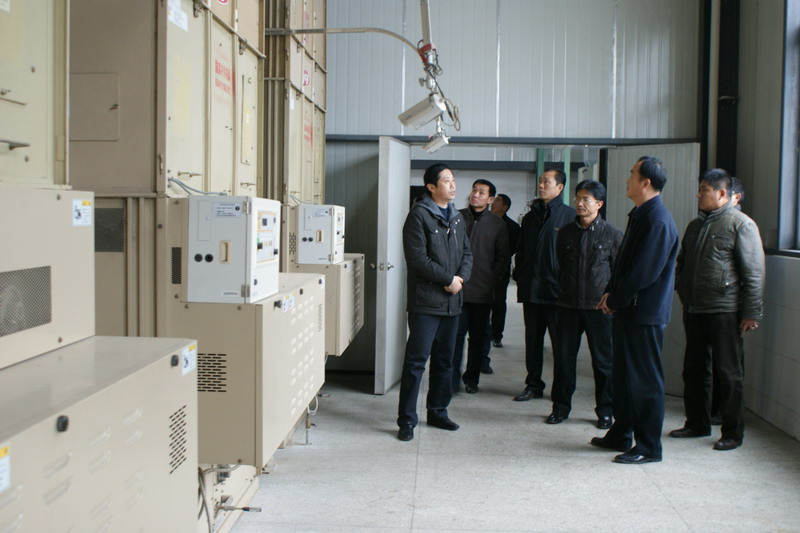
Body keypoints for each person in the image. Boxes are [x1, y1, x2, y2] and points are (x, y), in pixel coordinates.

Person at [670, 169, 764, 451]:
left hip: (725, 310)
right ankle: (697, 423)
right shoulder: (696, 225)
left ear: (722, 193)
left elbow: (754, 272)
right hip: (695, 308)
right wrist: (681, 285)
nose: (698, 195)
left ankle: (733, 432)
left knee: (729, 373)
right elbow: (682, 262)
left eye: (704, 190)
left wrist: (751, 312)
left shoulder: (741, 225)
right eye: (700, 189)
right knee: (694, 370)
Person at [593, 156, 678, 464]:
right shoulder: (642, 214)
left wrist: (616, 299)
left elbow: (644, 272)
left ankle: (649, 446)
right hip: (630, 310)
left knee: (644, 381)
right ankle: (621, 433)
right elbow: (624, 264)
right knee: (625, 377)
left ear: (646, 182)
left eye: (632, 174)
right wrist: (611, 293)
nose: (627, 179)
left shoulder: (657, 220)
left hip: (645, 313)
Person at [396, 163, 472, 442]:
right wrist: (447, 279)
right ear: (431, 187)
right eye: (446, 181)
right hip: (426, 304)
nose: (453, 185)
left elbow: (467, 253)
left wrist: (460, 278)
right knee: (416, 363)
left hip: (452, 302)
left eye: (453, 180)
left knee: (445, 362)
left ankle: (438, 411)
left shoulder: (457, 217)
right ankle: (407, 420)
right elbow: (418, 259)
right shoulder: (418, 216)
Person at [548, 181, 622, 429]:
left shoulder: (612, 235)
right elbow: (559, 265)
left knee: (603, 363)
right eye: (578, 198)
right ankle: (560, 408)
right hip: (567, 306)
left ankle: (606, 411)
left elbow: (618, 272)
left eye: (586, 199)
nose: (579, 203)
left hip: (599, 309)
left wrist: (610, 298)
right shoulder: (565, 232)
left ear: (599, 204)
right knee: (564, 360)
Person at [512, 169, 576, 401]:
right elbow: (521, 250)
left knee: (561, 345)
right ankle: (533, 385)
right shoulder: (531, 217)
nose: (540, 185)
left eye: (546, 182)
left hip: (557, 293)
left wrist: (564, 283)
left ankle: (561, 390)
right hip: (532, 289)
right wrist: (520, 273)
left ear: (560, 187)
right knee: (533, 342)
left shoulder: (569, 216)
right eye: (540, 181)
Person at [451, 180, 510, 393]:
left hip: (483, 292)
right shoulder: (456, 217)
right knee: (455, 337)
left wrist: (492, 281)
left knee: (477, 339)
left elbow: (502, 258)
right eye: (474, 190)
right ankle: (451, 380)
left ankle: (472, 379)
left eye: (481, 192)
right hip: (457, 290)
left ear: (490, 199)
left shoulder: (497, 224)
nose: (475, 194)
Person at [488, 194, 521, 354]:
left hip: (501, 270)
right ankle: (482, 332)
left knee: (499, 303)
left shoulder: (513, 227)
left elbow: (515, 247)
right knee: (481, 303)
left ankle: (496, 335)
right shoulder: (484, 221)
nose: (493, 203)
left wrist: (500, 257)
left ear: (505, 207)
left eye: (497, 201)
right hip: (482, 269)